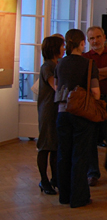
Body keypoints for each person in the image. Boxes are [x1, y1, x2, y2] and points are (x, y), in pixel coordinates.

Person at [54, 29, 100, 208]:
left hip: (62, 112)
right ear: (82, 43)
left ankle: (64, 195)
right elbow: (95, 92)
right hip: (81, 113)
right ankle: (79, 197)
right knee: (80, 156)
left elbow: (57, 87)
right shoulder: (89, 64)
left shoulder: (60, 64)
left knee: (63, 154)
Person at [83, 26, 107, 187]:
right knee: (91, 138)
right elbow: (86, 77)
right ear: (88, 40)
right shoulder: (85, 57)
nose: (95, 41)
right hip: (92, 101)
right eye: (92, 38)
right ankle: (93, 173)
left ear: (104, 37)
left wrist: (95, 73)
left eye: (98, 37)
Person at [36, 35, 65, 195]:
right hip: (48, 110)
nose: (64, 48)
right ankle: (44, 180)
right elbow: (56, 86)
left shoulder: (54, 65)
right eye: (62, 46)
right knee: (45, 146)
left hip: (54, 109)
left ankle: (55, 179)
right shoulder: (48, 66)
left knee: (54, 146)